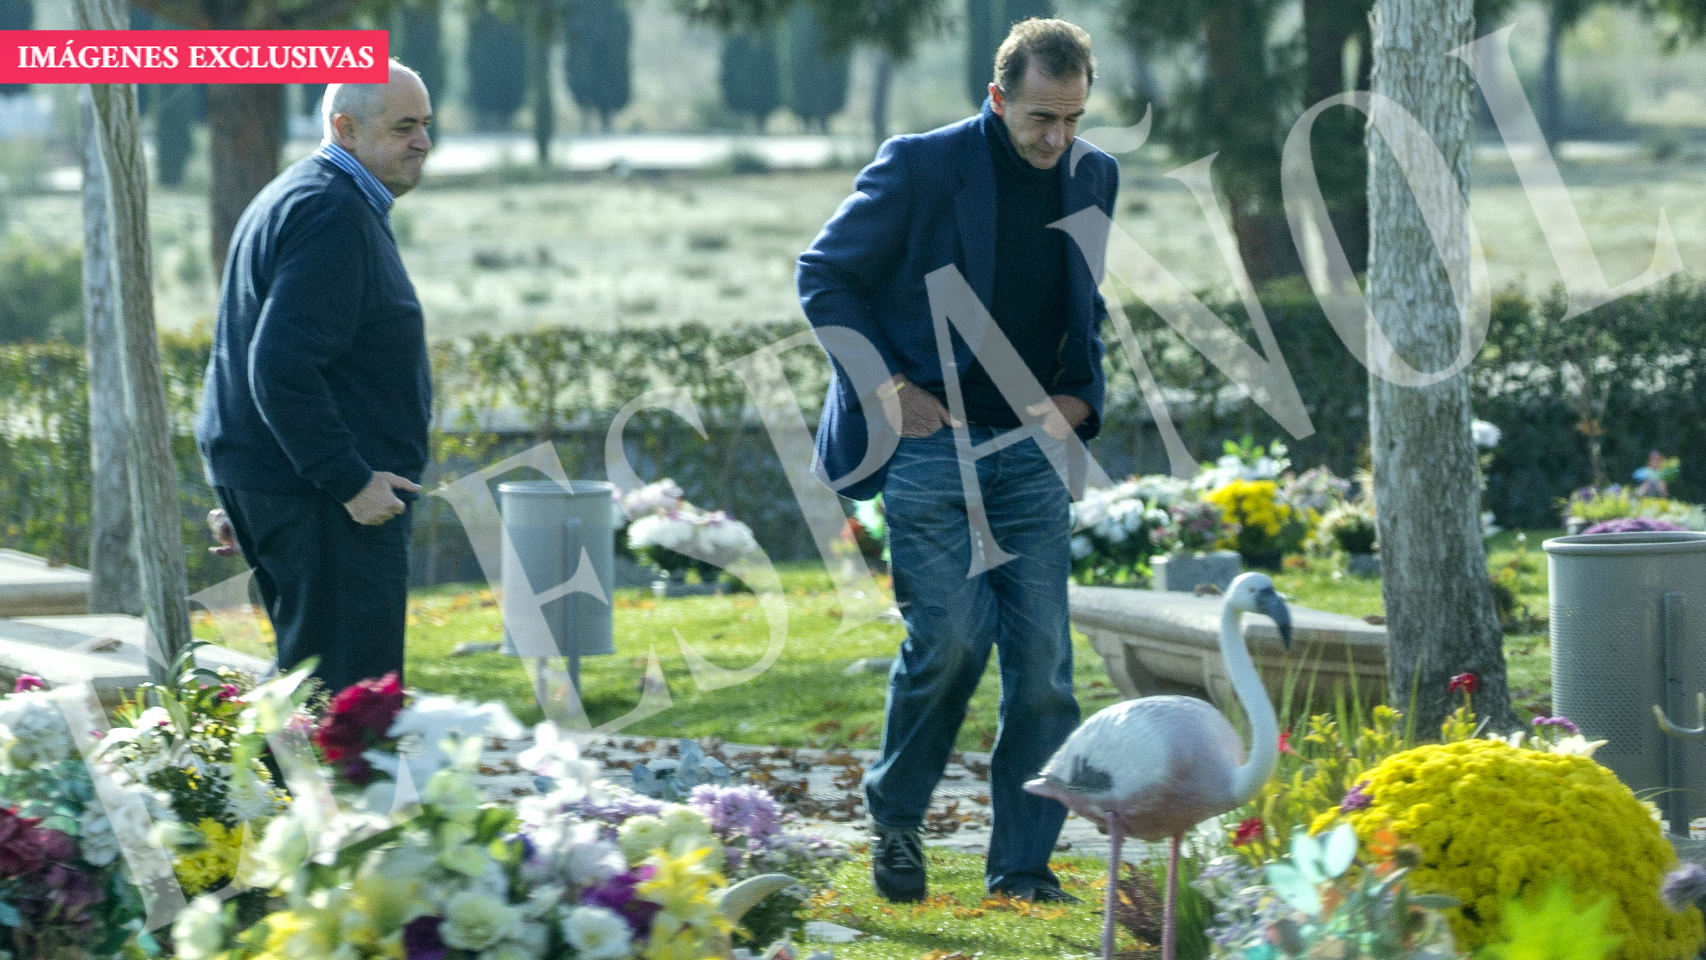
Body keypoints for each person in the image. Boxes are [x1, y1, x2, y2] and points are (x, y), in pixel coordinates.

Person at [797, 19, 1119, 903]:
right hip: (929, 450)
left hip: (1031, 455)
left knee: (1045, 663)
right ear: (997, 97)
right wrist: (886, 386)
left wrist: (1082, 398)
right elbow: (822, 276)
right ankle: (897, 819)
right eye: (1041, 119)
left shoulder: (1095, 174)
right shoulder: (921, 165)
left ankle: (1021, 864)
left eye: (1073, 118)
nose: (1057, 139)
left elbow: (1082, 305)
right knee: (946, 642)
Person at [197, 61, 433, 698]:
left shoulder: (303, 194)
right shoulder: (332, 212)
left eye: (426, 125)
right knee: (346, 706)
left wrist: (249, 490)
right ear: (345, 129)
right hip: (330, 504)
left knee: (306, 694)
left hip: (290, 487)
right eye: (405, 126)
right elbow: (278, 367)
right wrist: (350, 481)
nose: (423, 142)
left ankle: (263, 795)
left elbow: (255, 352)